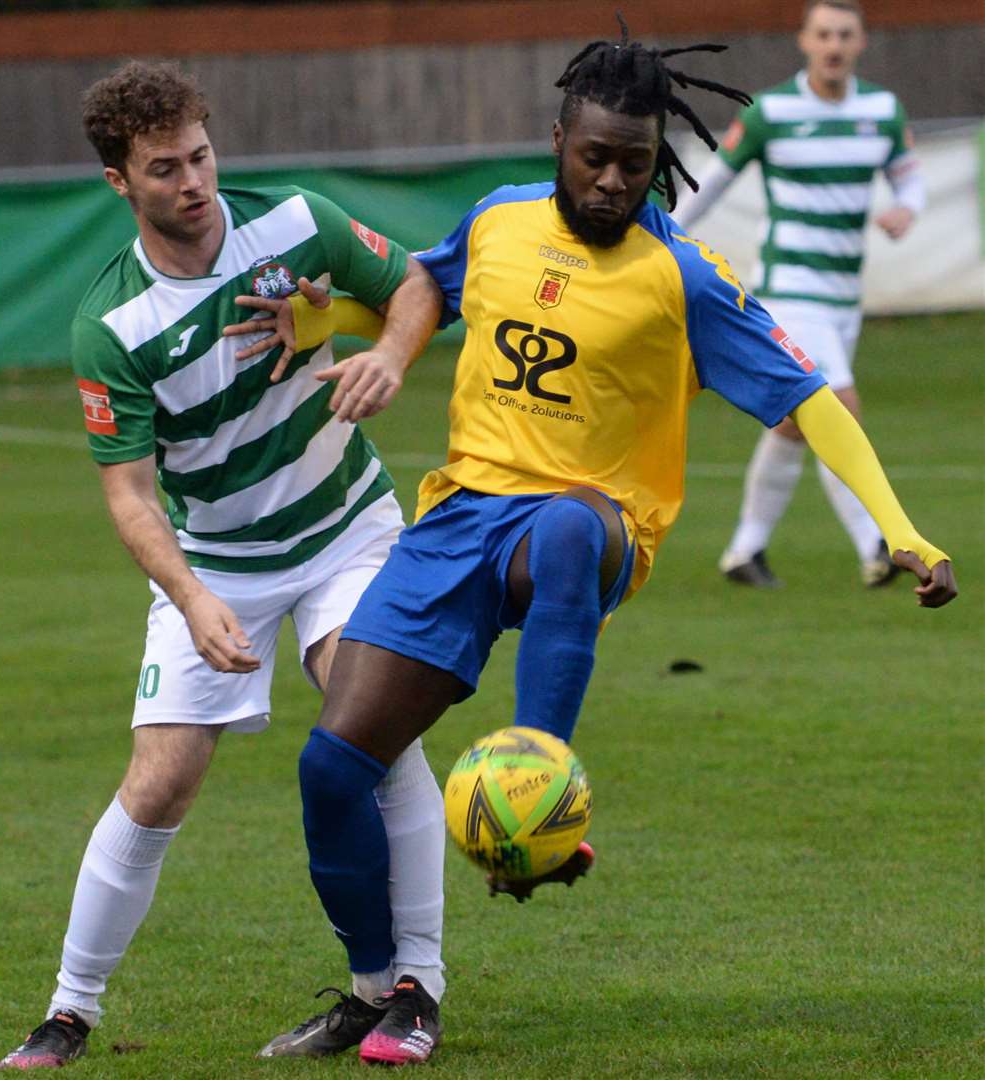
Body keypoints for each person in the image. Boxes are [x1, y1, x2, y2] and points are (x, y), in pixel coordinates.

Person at [264, 17, 957, 1066]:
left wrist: (900, 528)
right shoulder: (496, 222)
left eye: (636, 164)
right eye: (595, 157)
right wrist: (321, 327)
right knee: (329, 766)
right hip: (458, 522)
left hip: (593, 529)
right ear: (558, 140)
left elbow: (808, 400)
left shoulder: (682, 275)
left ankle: (542, 781)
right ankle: (382, 990)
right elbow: (419, 293)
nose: (613, 181)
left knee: (564, 522)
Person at [0, 61, 447, 1070]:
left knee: (371, 728)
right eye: (164, 169)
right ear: (119, 181)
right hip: (218, 562)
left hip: (347, 532)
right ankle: (70, 1011)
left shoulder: (297, 224)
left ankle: (413, 990)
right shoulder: (110, 326)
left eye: (200, 156)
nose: (193, 182)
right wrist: (193, 598)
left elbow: (422, 284)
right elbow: (128, 493)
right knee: (159, 782)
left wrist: (378, 350)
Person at [671, 0, 925, 589]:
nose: (834, 44)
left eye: (845, 34)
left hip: (844, 296)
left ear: (860, 43)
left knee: (793, 422)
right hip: (790, 289)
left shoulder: (881, 110)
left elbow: (909, 175)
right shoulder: (773, 112)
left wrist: (907, 208)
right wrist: (665, 237)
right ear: (805, 42)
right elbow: (712, 184)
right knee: (837, 404)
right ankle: (878, 545)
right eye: (824, 34)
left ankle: (744, 551)